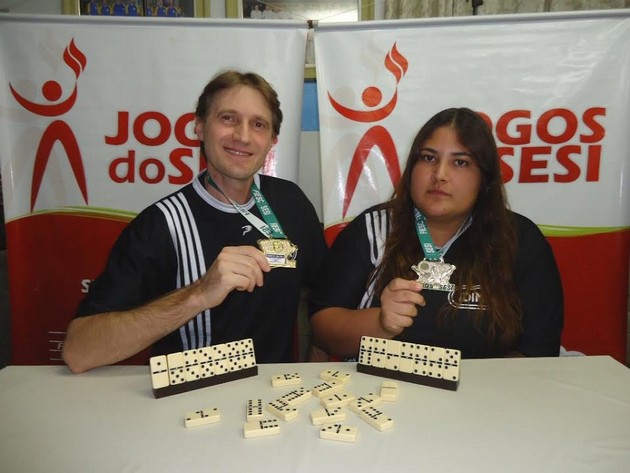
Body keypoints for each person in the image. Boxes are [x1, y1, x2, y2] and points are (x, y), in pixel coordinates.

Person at [63, 70, 327, 373]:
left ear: (271, 141)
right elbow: (78, 351)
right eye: (228, 118)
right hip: (192, 398)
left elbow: (326, 301)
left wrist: (314, 368)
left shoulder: (291, 203)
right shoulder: (162, 224)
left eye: (258, 124)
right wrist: (199, 293)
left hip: (276, 395)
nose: (242, 136)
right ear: (199, 127)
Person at [308, 107, 563, 360]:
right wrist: (380, 323)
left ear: (484, 179)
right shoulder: (373, 228)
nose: (440, 175)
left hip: (487, 386)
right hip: (379, 384)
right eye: (429, 158)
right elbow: (322, 330)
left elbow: (537, 352)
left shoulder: (518, 239)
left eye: (460, 162)